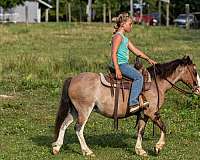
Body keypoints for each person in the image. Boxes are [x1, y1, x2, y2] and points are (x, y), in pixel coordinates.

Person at [111, 13, 157, 113]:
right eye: (130, 24)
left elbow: (136, 51)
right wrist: (117, 69)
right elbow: (113, 54)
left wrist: (148, 59)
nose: (131, 26)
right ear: (123, 24)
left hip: (124, 64)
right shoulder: (118, 37)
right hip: (120, 65)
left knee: (141, 71)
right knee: (138, 77)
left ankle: (141, 97)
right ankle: (133, 103)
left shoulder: (125, 39)